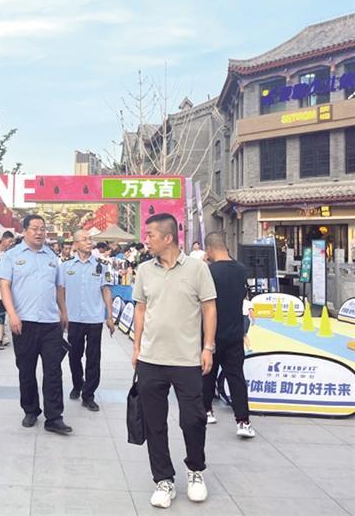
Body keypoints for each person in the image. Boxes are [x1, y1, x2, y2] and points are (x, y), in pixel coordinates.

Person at [131, 213, 217, 509]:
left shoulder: (197, 269)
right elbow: (140, 309)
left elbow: (209, 308)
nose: (146, 240)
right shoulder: (144, 270)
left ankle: (195, 469)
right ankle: (163, 479)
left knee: (193, 419)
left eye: (150, 235)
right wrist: (136, 347)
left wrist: (208, 346)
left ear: (168, 238)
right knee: (154, 422)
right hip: (151, 359)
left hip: (187, 359)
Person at [0, 214, 71, 435]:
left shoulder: (52, 257)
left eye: (43, 229)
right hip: (24, 322)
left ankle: (54, 417)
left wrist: (63, 311)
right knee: (26, 370)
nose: (39, 232)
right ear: (24, 231)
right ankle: (30, 410)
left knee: (53, 371)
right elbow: (4, 286)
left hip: (50, 323)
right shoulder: (11, 256)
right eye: (35, 228)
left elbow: (59, 287)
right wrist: (12, 315)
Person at [202, 232, 255, 438]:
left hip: (211, 333)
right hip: (235, 332)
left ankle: (207, 410)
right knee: (236, 377)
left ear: (209, 250)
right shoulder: (241, 269)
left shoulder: (208, 272)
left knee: (207, 373)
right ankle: (243, 421)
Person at [58, 229, 114, 412]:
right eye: (84, 239)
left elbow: (106, 290)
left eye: (90, 239)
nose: (89, 242)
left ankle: (89, 395)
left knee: (94, 357)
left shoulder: (101, 265)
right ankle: (77, 383)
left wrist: (110, 316)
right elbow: (61, 291)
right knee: (74, 355)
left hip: (94, 318)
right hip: (74, 318)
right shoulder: (65, 266)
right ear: (75, 244)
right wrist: (63, 313)